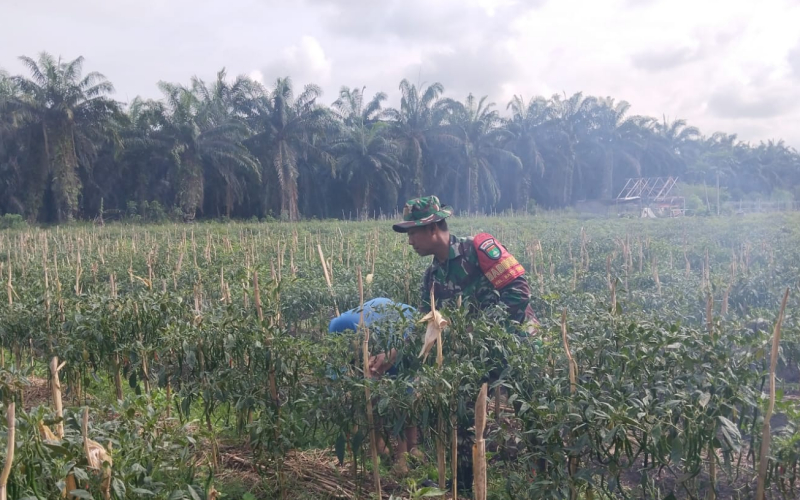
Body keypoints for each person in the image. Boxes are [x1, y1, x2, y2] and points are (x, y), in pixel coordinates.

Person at [391, 195, 539, 491]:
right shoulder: (432, 276)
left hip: (516, 345)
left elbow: (519, 291)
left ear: (434, 228)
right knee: (463, 415)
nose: (410, 242)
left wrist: (492, 336)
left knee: (533, 411)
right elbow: (427, 325)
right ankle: (463, 487)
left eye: (413, 234)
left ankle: (545, 479)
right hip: (473, 358)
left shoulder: (478, 248)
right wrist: (395, 355)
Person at [328, 297, 422, 474]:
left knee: (402, 397)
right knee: (372, 392)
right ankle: (380, 445)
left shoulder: (397, 334)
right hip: (377, 320)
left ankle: (406, 455)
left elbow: (400, 396)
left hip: (402, 329)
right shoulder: (336, 330)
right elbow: (337, 374)